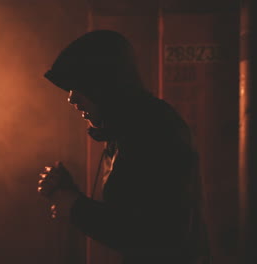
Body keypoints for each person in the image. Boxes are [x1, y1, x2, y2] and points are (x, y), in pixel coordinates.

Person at [37, 30, 210, 264]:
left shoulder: (153, 130)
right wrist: (71, 196)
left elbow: (161, 236)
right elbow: (133, 217)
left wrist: (76, 207)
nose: (71, 98)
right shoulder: (127, 130)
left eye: (79, 85)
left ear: (103, 84)